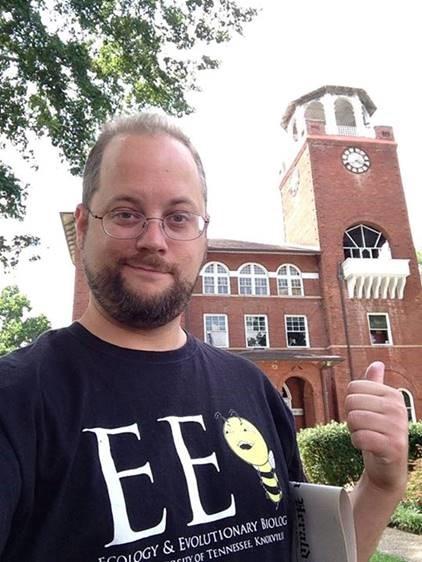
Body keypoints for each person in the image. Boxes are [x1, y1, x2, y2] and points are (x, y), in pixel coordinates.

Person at [0, 114, 408, 562]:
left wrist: (382, 484)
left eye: (178, 217)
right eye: (126, 213)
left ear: (203, 236)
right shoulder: (16, 400)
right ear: (82, 227)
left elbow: (314, 555)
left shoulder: (252, 389)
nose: (154, 239)